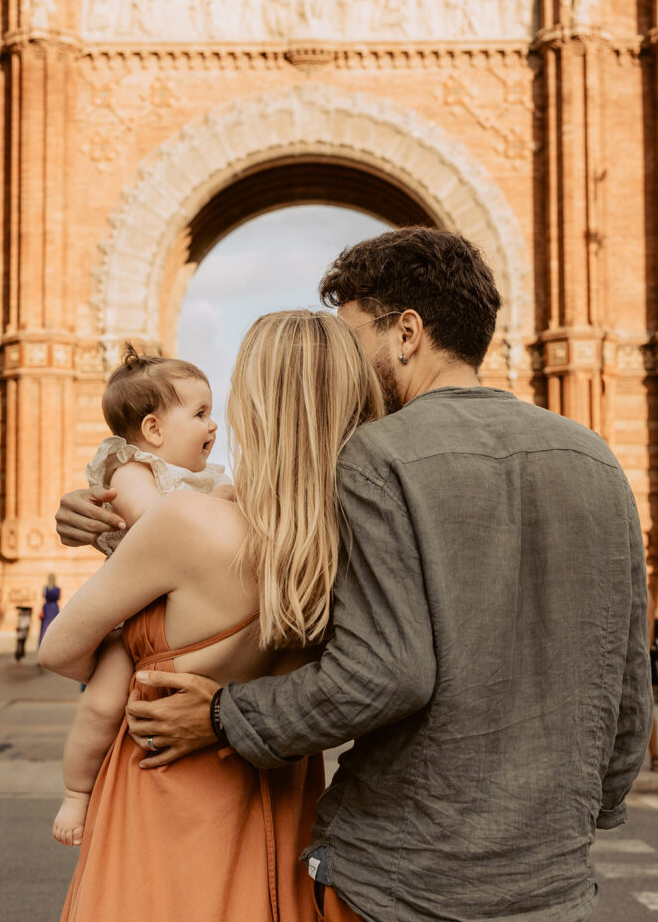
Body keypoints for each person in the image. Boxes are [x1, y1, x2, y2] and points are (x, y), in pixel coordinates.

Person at [56, 226, 654, 922]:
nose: (344, 361)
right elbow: (626, 681)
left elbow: (382, 672)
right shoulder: (596, 460)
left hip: (402, 873)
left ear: (405, 333)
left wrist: (222, 714)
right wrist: (580, 818)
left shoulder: (375, 458)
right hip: (551, 878)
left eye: (351, 337)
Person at [43, 310, 383, 922]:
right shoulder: (356, 538)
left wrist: (125, 647)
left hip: (161, 792)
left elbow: (58, 651)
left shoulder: (186, 523)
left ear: (255, 404)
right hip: (283, 799)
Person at [50, 344, 233, 847]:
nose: (213, 426)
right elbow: (161, 528)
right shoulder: (133, 473)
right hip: (131, 620)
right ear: (153, 430)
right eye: (200, 414)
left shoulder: (195, 481)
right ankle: (76, 790)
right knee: (104, 703)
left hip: (172, 615)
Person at [38, 574, 61, 647]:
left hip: (47, 608)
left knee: (45, 627)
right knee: (54, 626)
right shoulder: (57, 589)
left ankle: (42, 645)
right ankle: (53, 644)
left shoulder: (45, 588)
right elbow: (58, 597)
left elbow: (43, 596)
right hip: (54, 608)